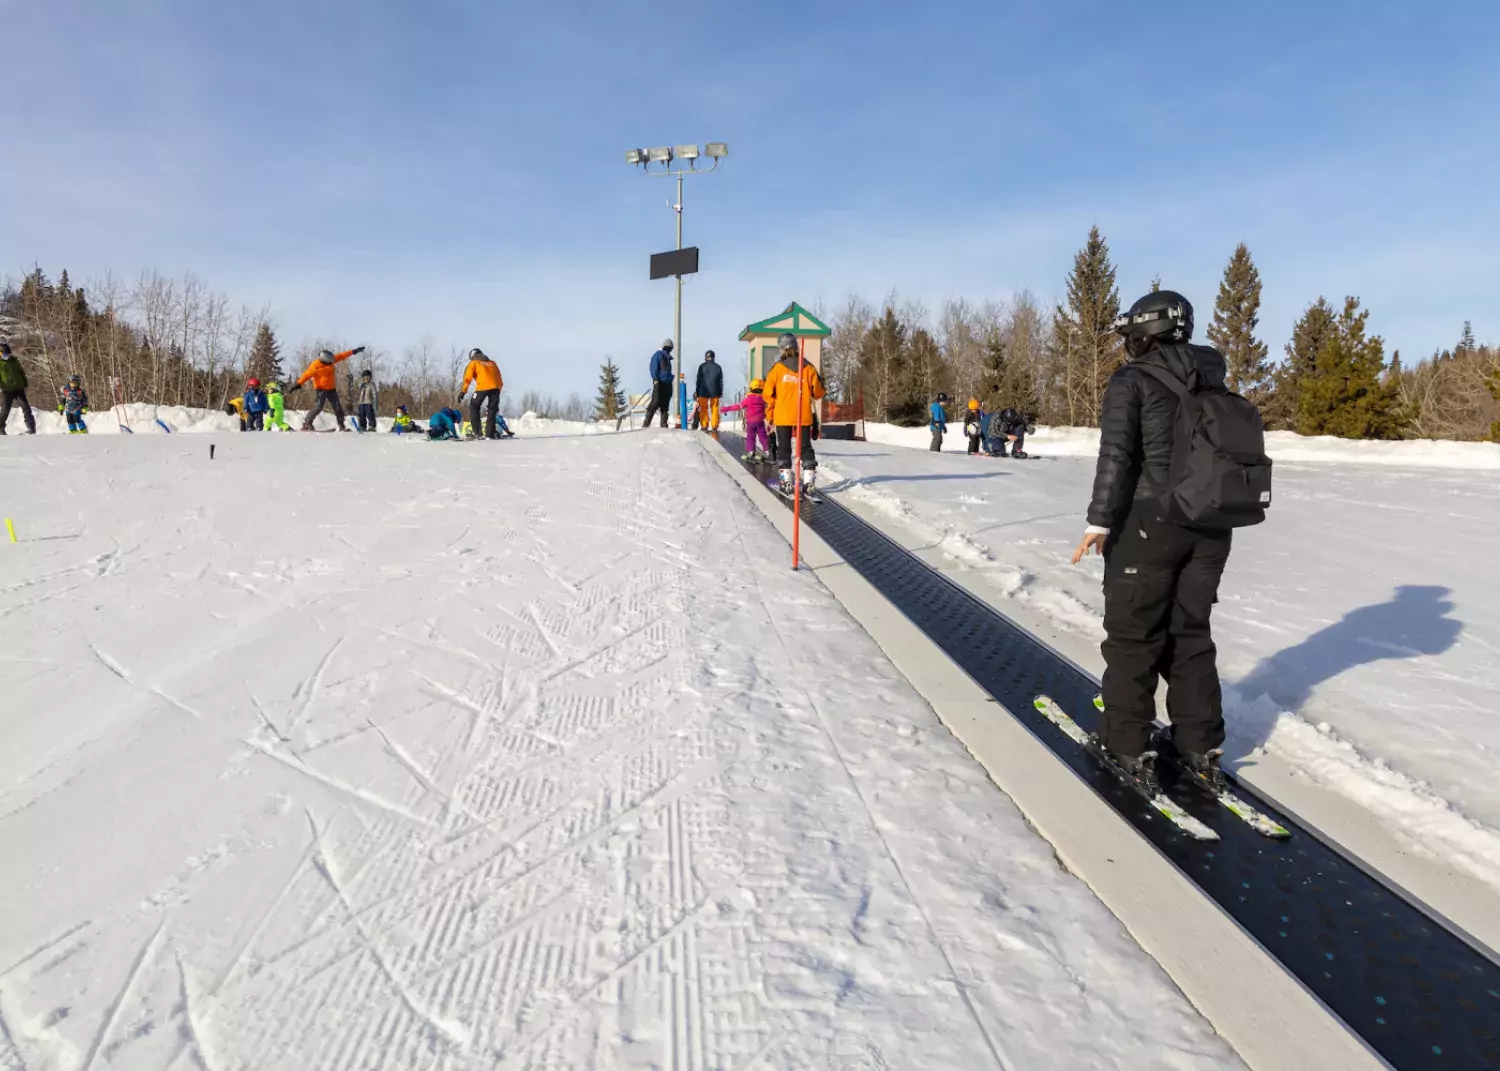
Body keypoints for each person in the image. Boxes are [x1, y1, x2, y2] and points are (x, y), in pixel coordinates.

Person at [1070, 289, 1233, 791]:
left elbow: (1116, 456)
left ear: (1143, 333)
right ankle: (1198, 745)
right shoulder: (1216, 380)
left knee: (1134, 637)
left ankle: (1124, 743)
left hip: (1147, 525)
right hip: (1211, 527)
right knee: (1190, 635)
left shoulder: (1132, 380)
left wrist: (1098, 521)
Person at [762, 332, 825, 491]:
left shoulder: (776, 369)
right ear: (796, 347)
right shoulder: (808, 367)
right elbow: (818, 393)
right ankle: (809, 482)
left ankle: (786, 482)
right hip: (802, 415)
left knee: (783, 448)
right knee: (805, 448)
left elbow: (768, 395)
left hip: (782, 416)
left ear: (782, 349)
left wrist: (770, 417)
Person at [292, 346, 364, 431]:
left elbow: (341, 355)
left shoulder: (331, 361)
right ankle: (307, 424)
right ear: (324, 360)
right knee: (318, 406)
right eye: (329, 362)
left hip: (331, 389)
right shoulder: (315, 366)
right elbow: (306, 375)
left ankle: (341, 425)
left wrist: (353, 351)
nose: (331, 363)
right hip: (321, 389)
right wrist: (298, 384)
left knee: (337, 406)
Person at [459, 348, 503, 439]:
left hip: (482, 387)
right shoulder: (492, 363)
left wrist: (463, 392)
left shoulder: (474, 363)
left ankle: (477, 433)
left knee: (474, 406)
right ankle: (489, 434)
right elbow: (499, 378)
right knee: (492, 411)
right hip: (496, 388)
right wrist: (498, 392)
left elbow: (467, 378)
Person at [722, 378, 769, 461]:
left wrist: (727, 408)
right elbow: (768, 408)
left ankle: (751, 452)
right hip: (760, 422)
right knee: (763, 436)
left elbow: (739, 406)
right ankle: (768, 452)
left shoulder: (749, 398)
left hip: (751, 422)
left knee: (750, 437)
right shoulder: (764, 399)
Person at [0, 342, 36, 435]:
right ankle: (1, 429)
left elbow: (21, 372)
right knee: (5, 410)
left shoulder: (14, 360)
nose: (7, 356)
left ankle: (31, 427)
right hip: (7, 390)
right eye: (5, 354)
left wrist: (25, 384)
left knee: (26, 407)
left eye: (8, 354)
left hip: (19, 388)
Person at [642, 339, 674, 429]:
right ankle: (646, 423)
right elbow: (653, 368)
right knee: (655, 402)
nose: (669, 350)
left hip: (667, 383)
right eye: (669, 348)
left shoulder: (667, 358)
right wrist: (655, 379)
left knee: (665, 404)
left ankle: (664, 424)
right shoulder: (658, 355)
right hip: (659, 382)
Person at [694, 349, 724, 432]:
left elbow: (698, 380)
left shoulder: (702, 366)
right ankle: (714, 425)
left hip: (703, 391)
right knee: (714, 408)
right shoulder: (718, 367)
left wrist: (697, 391)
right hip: (715, 391)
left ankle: (704, 425)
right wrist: (720, 392)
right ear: (713, 357)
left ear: (706, 357)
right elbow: (720, 381)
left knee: (703, 408)